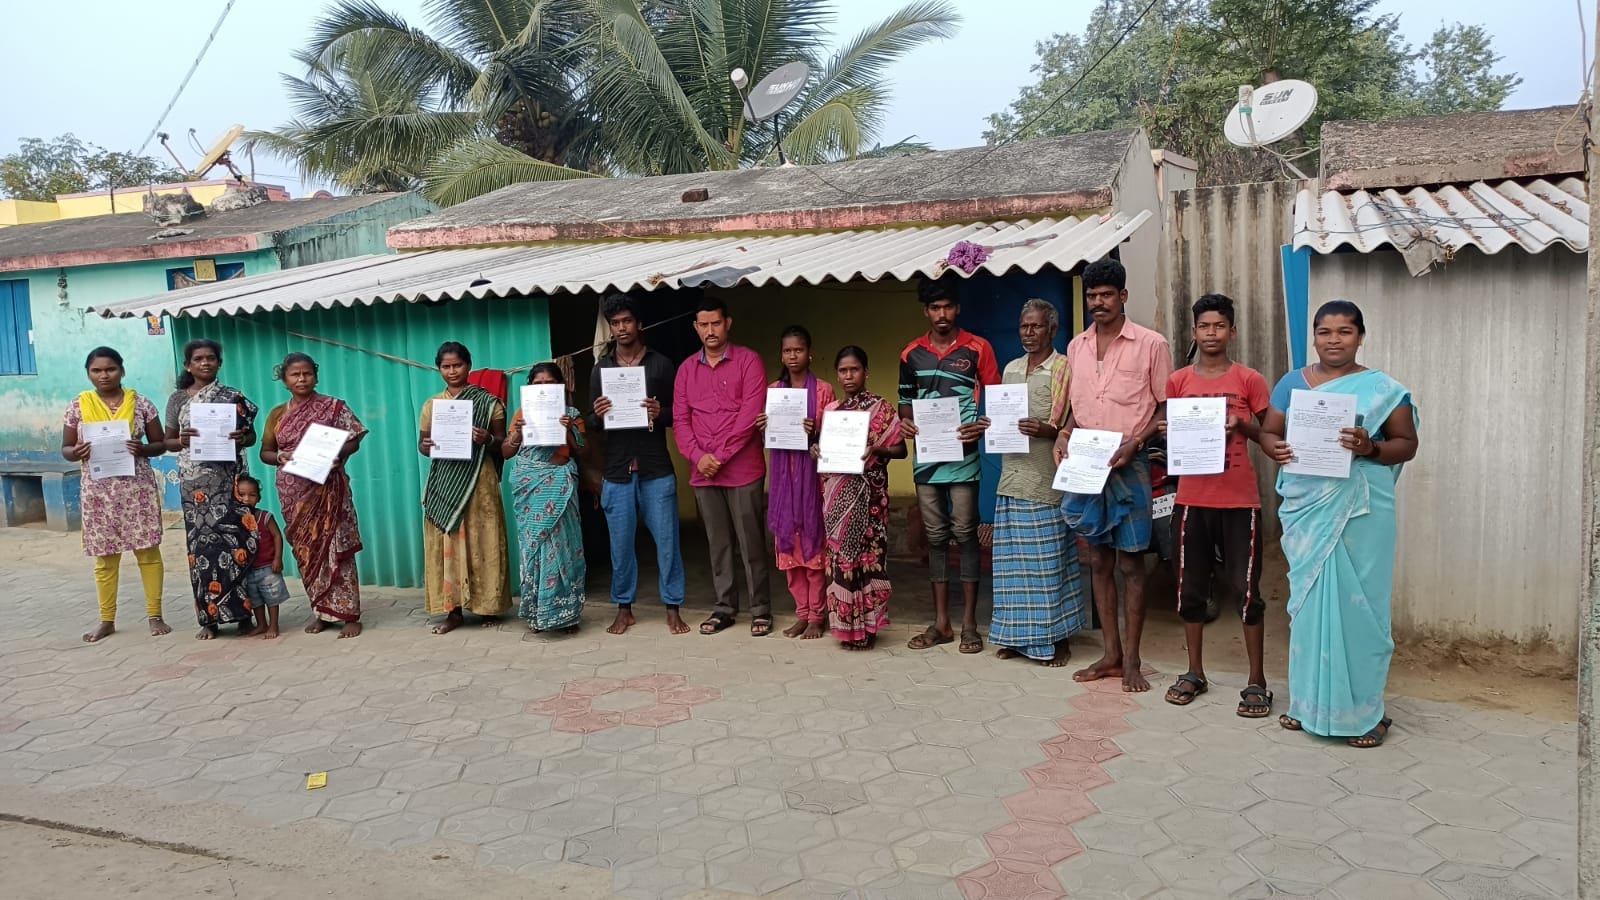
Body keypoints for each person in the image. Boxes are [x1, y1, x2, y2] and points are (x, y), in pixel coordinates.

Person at [1261, 300, 1418, 748]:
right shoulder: (1292, 383)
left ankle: (1368, 714)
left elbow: (1407, 444)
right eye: (1325, 332)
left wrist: (1371, 447)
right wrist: (1274, 448)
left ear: (1360, 337)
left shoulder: (1384, 389)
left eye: (1345, 331)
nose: (1334, 340)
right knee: (1310, 605)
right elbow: (1270, 431)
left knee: (1361, 609)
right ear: (1314, 337)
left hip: (1361, 511)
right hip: (1308, 507)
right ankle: (1307, 704)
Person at [1052, 258, 1171, 692]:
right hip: (1087, 461)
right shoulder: (1076, 347)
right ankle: (1111, 655)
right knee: (1098, 560)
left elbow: (1164, 408)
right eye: (1092, 295)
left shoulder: (1152, 344)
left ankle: (1133, 661)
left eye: (1106, 295)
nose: (1098, 302)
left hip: (1129, 460)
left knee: (1132, 563)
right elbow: (1076, 407)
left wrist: (1136, 443)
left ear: (1123, 296)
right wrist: (1064, 434)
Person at [1158, 294, 1273, 715]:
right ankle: (1194, 672)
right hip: (1192, 500)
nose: (1211, 333)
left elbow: (1270, 434)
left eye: (1219, 326)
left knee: (1246, 590)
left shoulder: (1250, 380)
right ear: (1194, 332)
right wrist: (1169, 433)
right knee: (1190, 588)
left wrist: (1243, 425)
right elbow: (1171, 434)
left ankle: (1257, 680)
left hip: (1240, 501)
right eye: (1204, 326)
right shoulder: (1178, 381)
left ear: (1232, 331)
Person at [899, 277, 999, 654]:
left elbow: (996, 398)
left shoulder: (978, 348)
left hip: (964, 456)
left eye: (947, 306)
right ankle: (941, 623)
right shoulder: (910, 354)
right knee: (936, 537)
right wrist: (906, 422)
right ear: (926, 311)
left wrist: (983, 424)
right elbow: (904, 401)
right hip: (927, 459)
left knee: (966, 534)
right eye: (934, 308)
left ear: (957, 308)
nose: (942, 314)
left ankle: (969, 624)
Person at [987, 300, 1085, 667]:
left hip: (1046, 481)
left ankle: (1057, 639)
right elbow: (1002, 417)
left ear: (1052, 330)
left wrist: (1049, 431)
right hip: (1011, 478)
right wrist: (991, 425)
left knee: (1048, 564)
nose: (1029, 333)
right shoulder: (1011, 369)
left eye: (1036, 326)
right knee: (1012, 567)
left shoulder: (1064, 369)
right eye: (1024, 326)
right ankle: (1016, 637)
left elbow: (1076, 416)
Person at [675, 296, 775, 637]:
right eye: (703, 325)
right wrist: (698, 457)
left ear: (727, 323)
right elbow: (681, 420)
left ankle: (760, 609)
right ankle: (724, 608)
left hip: (742, 468)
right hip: (703, 472)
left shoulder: (749, 361)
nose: (710, 330)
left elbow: (750, 414)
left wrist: (718, 455)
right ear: (695, 328)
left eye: (716, 323)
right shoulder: (686, 369)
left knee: (751, 543)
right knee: (718, 544)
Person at [589, 292, 688, 635]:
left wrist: (661, 413)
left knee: (667, 541)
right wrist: (598, 414)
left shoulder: (661, 365)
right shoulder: (601, 369)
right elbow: (592, 422)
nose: (621, 328)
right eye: (615, 323)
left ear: (639, 324)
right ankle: (624, 608)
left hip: (655, 466)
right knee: (620, 545)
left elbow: (679, 414)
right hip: (617, 469)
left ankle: (672, 606)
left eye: (627, 321)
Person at [62, 347, 171, 643]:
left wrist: (142, 448)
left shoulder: (141, 404)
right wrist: (77, 451)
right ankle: (106, 619)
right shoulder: (77, 406)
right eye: (96, 370)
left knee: (147, 552)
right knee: (105, 557)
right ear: (88, 374)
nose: (104, 375)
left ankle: (155, 615)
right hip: (99, 493)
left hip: (136, 490)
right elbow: (66, 448)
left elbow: (160, 443)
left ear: (122, 371)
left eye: (110, 369)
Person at [260, 352, 368, 638]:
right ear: (284, 379)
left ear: (315, 376)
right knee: (307, 553)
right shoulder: (277, 414)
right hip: (294, 493)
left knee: (336, 547)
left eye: (307, 373)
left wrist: (337, 455)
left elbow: (354, 440)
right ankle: (321, 612)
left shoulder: (333, 407)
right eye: (295, 374)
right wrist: (280, 457)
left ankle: (349, 614)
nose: (302, 379)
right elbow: (265, 452)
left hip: (329, 490)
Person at [163, 339, 261, 640]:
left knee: (236, 545)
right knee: (201, 550)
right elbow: (167, 442)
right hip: (195, 489)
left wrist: (241, 436)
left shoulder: (232, 396)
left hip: (229, 482)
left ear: (219, 362)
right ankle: (209, 620)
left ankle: (243, 616)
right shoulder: (177, 400)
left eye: (210, 358)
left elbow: (252, 438)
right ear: (188, 365)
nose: (205, 363)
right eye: (198, 359)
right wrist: (181, 440)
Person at [813, 346, 905, 649]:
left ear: (866, 372)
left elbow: (901, 450)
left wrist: (878, 449)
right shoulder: (832, 411)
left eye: (854, 369)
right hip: (837, 497)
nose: (848, 376)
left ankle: (868, 628)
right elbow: (824, 448)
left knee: (868, 560)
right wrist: (816, 449)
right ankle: (845, 628)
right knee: (841, 560)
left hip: (870, 500)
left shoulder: (881, 409)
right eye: (843, 371)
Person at [418, 341, 511, 634]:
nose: (452, 371)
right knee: (449, 543)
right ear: (439, 369)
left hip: (479, 483)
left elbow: (503, 445)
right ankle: (453, 611)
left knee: (483, 540)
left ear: (468, 366)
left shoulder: (489, 403)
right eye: (446, 366)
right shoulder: (432, 405)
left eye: (457, 365)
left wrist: (487, 439)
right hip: (446, 481)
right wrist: (427, 445)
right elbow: (422, 445)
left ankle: (488, 607)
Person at [755, 325, 835, 639]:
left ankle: (817, 615)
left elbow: (835, 437)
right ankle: (801, 613)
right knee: (790, 551)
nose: (793, 356)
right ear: (781, 355)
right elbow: (770, 437)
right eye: (787, 351)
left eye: (798, 350)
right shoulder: (775, 391)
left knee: (814, 550)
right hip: (783, 483)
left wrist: (815, 431)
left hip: (812, 483)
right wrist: (764, 425)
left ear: (809, 353)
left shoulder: (824, 390)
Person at [505, 363, 588, 634]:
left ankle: (566, 615)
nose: (543, 388)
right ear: (530, 387)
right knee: (534, 550)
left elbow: (583, 451)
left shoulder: (571, 414)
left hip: (560, 486)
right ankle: (537, 613)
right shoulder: (522, 413)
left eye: (549, 383)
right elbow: (506, 452)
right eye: (537, 384)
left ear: (559, 386)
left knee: (564, 550)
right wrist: (517, 433)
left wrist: (568, 430)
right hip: (530, 486)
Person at [233, 475, 290, 639]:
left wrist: (277, 558)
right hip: (249, 569)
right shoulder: (236, 521)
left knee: (272, 597)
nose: (246, 499)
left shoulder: (265, 517)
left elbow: (277, 536)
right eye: (242, 494)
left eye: (252, 495)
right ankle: (261, 624)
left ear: (258, 498)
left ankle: (273, 624)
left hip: (267, 567)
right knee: (255, 599)